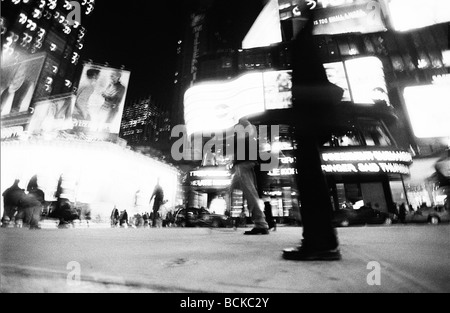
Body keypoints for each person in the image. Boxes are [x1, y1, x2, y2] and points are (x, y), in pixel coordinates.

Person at [282, 7, 343, 261]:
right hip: (309, 116)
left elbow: (310, 80)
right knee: (310, 175)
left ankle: (319, 241)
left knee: (309, 176)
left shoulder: (302, 38)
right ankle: (321, 239)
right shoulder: (302, 37)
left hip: (308, 117)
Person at [229, 118, 269, 235]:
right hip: (243, 162)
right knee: (232, 188)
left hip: (244, 163)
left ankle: (261, 224)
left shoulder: (242, 125)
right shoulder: (245, 126)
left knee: (250, 192)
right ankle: (260, 222)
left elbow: (238, 143)